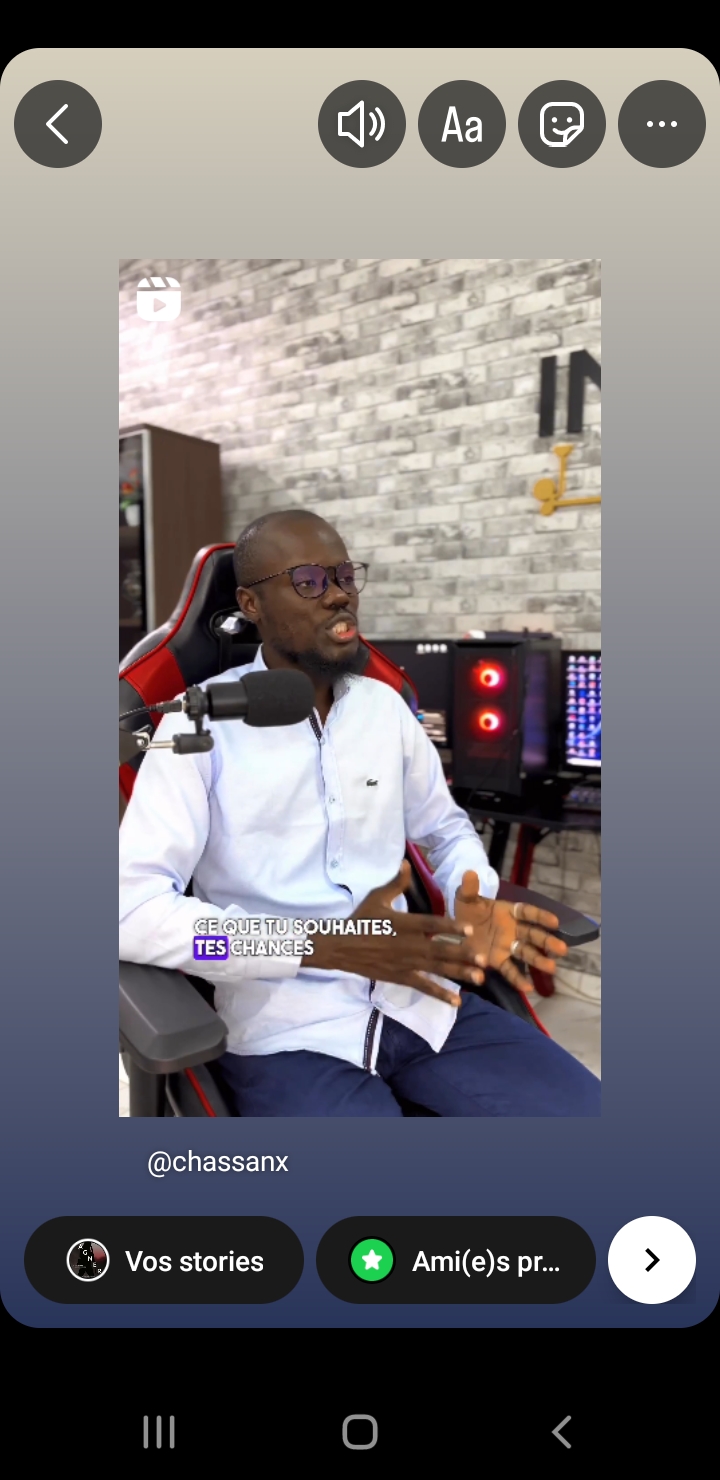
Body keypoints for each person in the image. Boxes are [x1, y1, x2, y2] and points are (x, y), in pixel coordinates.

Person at [119, 510, 600, 1116]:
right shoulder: (197, 726)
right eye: (309, 581)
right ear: (251, 603)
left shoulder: (385, 710)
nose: (339, 594)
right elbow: (132, 914)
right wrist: (323, 946)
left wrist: (472, 895)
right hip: (286, 1030)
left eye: (344, 575)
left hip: (422, 1002)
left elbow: (445, 830)